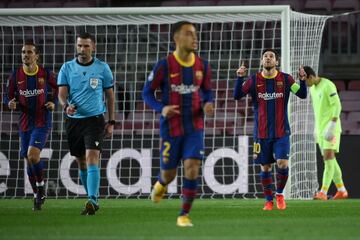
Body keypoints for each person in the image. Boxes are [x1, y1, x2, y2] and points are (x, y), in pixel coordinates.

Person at [142, 21, 214, 227]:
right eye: (189, 34)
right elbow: (146, 93)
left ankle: (184, 214)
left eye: (195, 34)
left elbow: (208, 91)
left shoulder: (203, 66)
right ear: (177, 38)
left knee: (192, 167)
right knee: (169, 174)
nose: (195, 37)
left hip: (195, 126)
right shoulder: (164, 65)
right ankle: (161, 183)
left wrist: (208, 103)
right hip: (171, 127)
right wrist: (161, 108)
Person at [234, 49, 307, 210]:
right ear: (261, 61)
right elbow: (237, 95)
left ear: (276, 62)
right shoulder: (253, 80)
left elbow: (302, 94)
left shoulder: (286, 79)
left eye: (271, 56)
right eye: (265, 56)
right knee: (265, 167)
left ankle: (279, 194)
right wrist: (239, 78)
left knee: (282, 163)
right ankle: (268, 200)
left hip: (282, 132)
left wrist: (302, 81)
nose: (268, 58)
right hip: (261, 133)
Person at [57, 32, 115, 215]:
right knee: (81, 161)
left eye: (86, 46)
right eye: (80, 46)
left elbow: (110, 97)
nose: (82, 49)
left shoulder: (102, 68)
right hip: (73, 121)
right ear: (76, 46)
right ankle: (91, 197)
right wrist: (65, 106)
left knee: (92, 158)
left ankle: (92, 200)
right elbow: (61, 94)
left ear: (93, 47)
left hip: (95, 120)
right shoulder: (67, 68)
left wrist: (111, 121)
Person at [5, 41, 58, 211]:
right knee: (29, 161)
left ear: (36, 56)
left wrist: (52, 101)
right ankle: (37, 195)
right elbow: (7, 97)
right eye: (23, 52)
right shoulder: (15, 75)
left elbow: (59, 89)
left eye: (29, 52)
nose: (25, 55)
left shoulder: (45, 73)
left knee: (33, 156)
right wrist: (10, 103)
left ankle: (41, 186)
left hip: (42, 121)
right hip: (25, 123)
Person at [302, 66, 348, 200]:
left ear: (310, 77)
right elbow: (319, 111)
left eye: (305, 81)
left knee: (328, 158)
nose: (305, 84)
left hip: (331, 129)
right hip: (321, 130)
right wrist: (317, 128)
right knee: (330, 160)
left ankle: (323, 192)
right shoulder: (312, 89)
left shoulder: (328, 85)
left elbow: (337, 105)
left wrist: (332, 124)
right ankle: (341, 189)